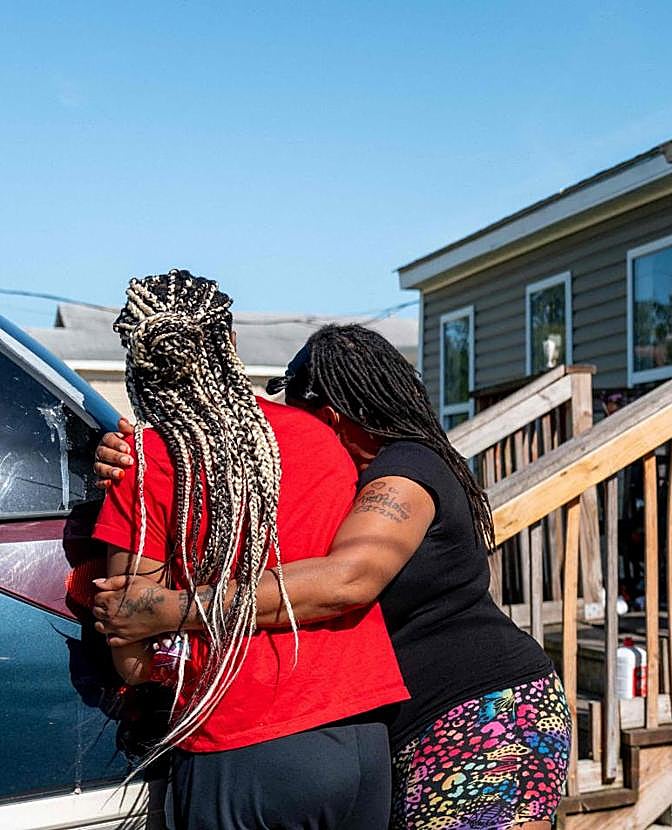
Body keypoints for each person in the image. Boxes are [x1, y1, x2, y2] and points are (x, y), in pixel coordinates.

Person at [95, 323, 572, 830]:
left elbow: (347, 580)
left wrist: (164, 610)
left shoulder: (406, 472)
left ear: (331, 418)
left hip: (482, 715)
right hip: (395, 732)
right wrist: (130, 454)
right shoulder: (353, 474)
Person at [92, 273, 410, 830]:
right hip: (359, 737)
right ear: (231, 345)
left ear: (139, 367)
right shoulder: (321, 439)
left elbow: (135, 658)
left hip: (239, 743)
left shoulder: (145, 463)